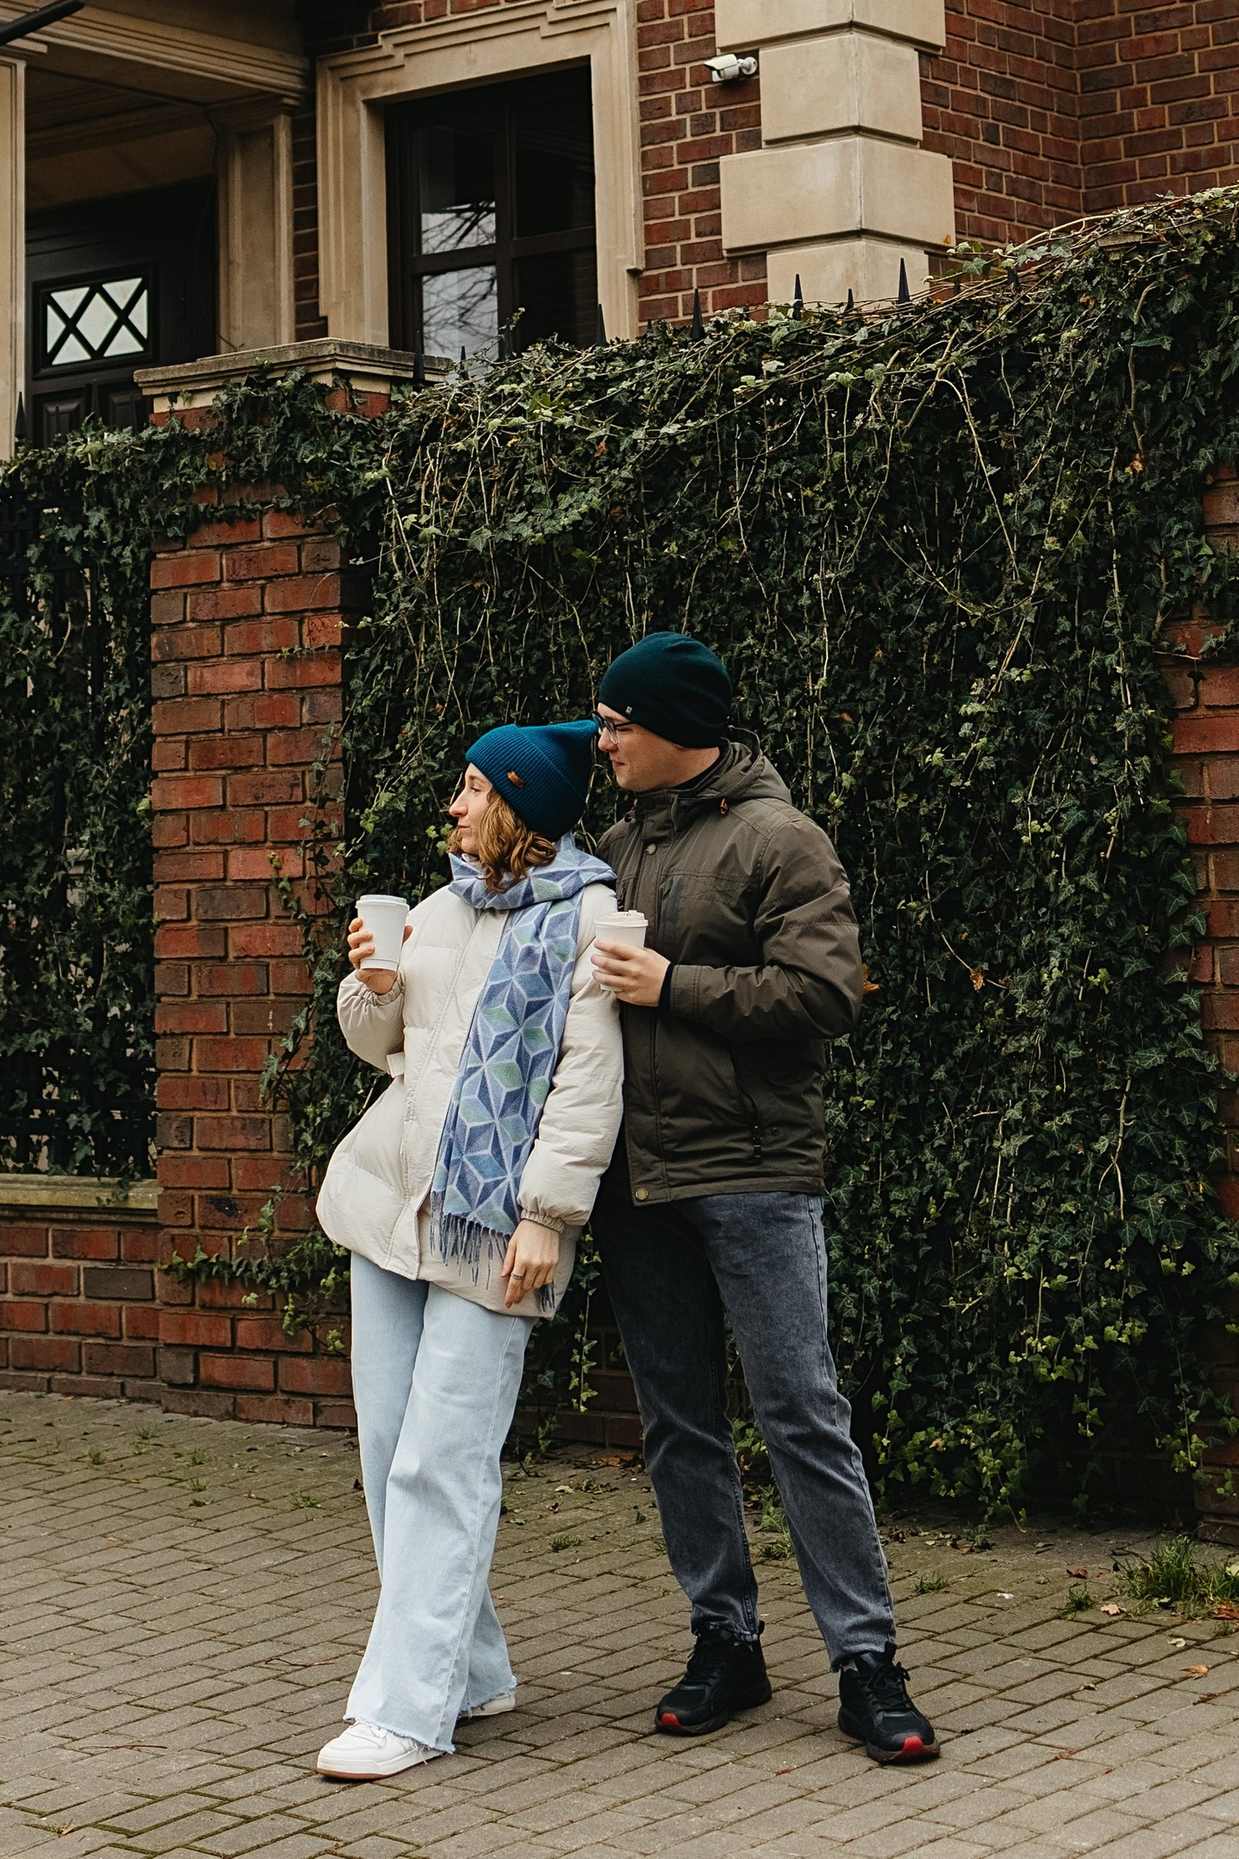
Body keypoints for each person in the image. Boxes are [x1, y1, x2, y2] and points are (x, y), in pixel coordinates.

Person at [585, 629, 939, 1768]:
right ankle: (725, 1642)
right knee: (677, 1422)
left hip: (752, 1171)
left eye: (617, 723)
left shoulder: (780, 837)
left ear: (676, 727)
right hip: (638, 1181)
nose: (602, 741)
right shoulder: (613, 847)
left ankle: (867, 1663)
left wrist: (673, 984)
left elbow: (825, 994)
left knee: (800, 1411)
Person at [312, 717, 623, 1781]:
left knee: (441, 1463)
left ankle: (405, 1709)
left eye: (475, 787)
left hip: (499, 1228)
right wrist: (373, 987)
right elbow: (381, 1047)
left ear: (520, 802)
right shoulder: (441, 906)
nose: (454, 804)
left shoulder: (588, 918)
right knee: (387, 1453)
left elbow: (588, 1081)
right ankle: (473, 1666)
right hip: (391, 1209)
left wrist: (548, 1215)